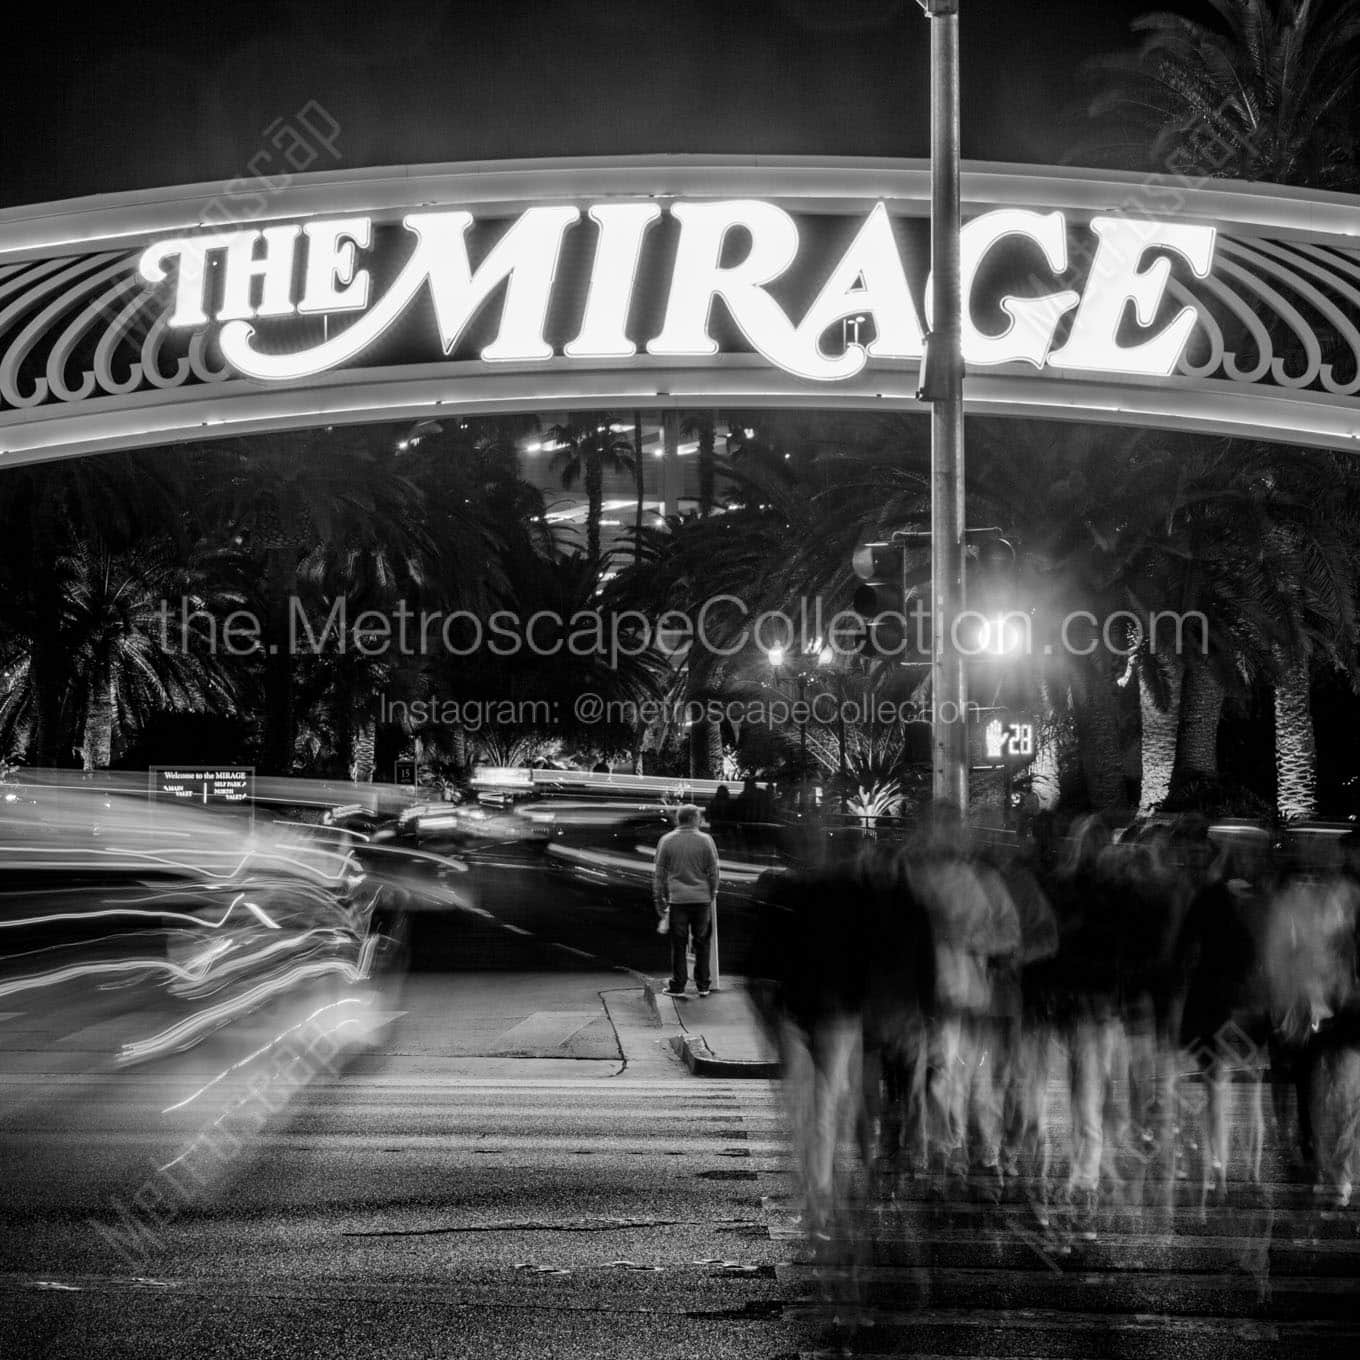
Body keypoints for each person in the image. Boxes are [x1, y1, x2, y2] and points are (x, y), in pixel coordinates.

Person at [653, 803, 720, 998]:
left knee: (679, 943)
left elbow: (659, 874)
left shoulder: (666, 841)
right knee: (702, 942)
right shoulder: (706, 841)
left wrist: (659, 899)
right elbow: (713, 872)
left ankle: (678, 985)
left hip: (677, 900)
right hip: (702, 899)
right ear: (694, 819)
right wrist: (712, 892)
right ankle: (703, 984)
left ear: (678, 819)